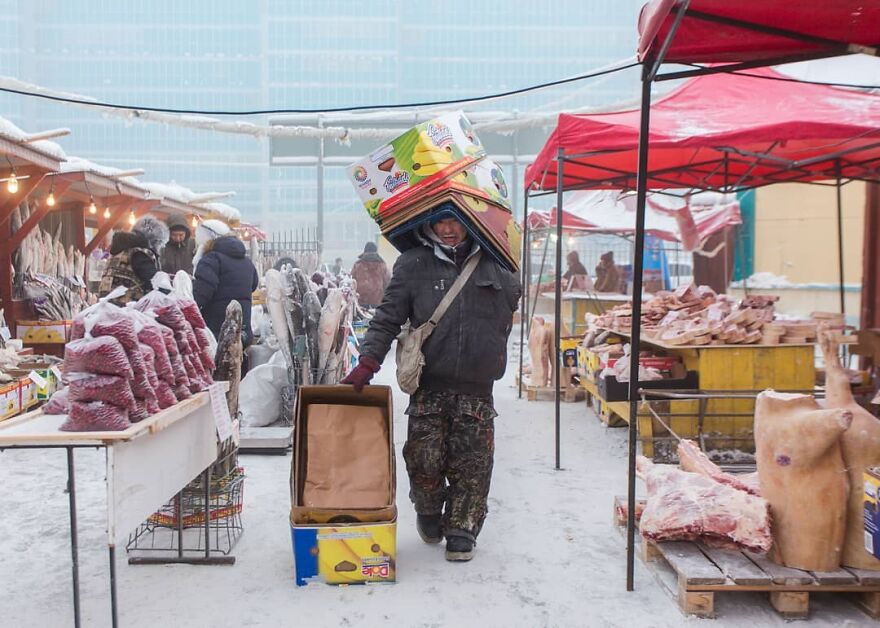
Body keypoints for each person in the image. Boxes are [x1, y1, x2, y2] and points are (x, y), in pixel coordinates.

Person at [342, 215, 521, 562]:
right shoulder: (412, 264)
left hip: (477, 385)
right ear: (428, 224)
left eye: (457, 221)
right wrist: (367, 363)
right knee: (423, 459)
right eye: (441, 222)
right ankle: (427, 508)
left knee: (474, 462)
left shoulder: (497, 262)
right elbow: (387, 317)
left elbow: (511, 301)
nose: (449, 229)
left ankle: (462, 528)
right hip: (429, 382)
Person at [192, 219, 259, 346]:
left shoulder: (211, 260)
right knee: (239, 363)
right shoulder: (246, 261)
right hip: (242, 328)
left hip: (219, 330)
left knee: (220, 365)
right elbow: (254, 284)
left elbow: (201, 294)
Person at [98, 215, 168, 304]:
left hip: (105, 308)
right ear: (154, 242)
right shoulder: (140, 254)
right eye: (160, 244)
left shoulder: (119, 252)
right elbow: (155, 282)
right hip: (127, 310)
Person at [350, 242, 391, 308]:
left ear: (365, 251)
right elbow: (388, 283)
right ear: (376, 251)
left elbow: (352, 281)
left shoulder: (358, 265)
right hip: (377, 301)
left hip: (360, 301)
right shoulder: (382, 265)